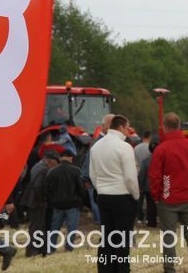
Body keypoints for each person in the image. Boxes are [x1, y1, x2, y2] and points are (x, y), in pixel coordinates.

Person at [149, 112, 188, 273]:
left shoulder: (161, 149)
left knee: (169, 236)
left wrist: (156, 196)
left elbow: (155, 176)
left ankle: (170, 269)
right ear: (179, 126)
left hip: (168, 202)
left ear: (165, 127)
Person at [89, 114, 140, 272]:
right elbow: (131, 178)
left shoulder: (96, 146)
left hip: (103, 196)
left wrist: (101, 189)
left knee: (107, 238)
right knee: (122, 240)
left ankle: (105, 269)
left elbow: (93, 174)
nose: (128, 132)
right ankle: (122, 269)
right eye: (127, 128)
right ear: (121, 127)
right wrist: (136, 196)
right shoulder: (124, 147)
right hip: (122, 197)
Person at [20, 149, 60, 257]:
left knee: (38, 226)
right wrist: (42, 199)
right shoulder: (44, 170)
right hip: (37, 202)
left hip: (32, 201)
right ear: (50, 161)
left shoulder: (37, 166)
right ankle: (31, 251)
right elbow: (38, 186)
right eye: (56, 162)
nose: (56, 165)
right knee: (36, 227)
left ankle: (41, 250)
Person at [46, 149, 86, 252]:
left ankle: (51, 248)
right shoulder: (76, 170)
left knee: (54, 228)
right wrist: (82, 202)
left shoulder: (52, 171)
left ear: (60, 158)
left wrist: (51, 201)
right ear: (70, 157)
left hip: (57, 205)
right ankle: (68, 248)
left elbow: (47, 189)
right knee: (72, 228)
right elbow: (81, 188)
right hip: (73, 204)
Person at [81, 114, 115, 225]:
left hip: (103, 181)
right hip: (96, 181)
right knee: (97, 205)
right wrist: (86, 178)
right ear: (103, 126)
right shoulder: (97, 143)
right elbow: (88, 162)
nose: (113, 128)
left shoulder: (109, 142)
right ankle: (100, 223)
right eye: (111, 125)